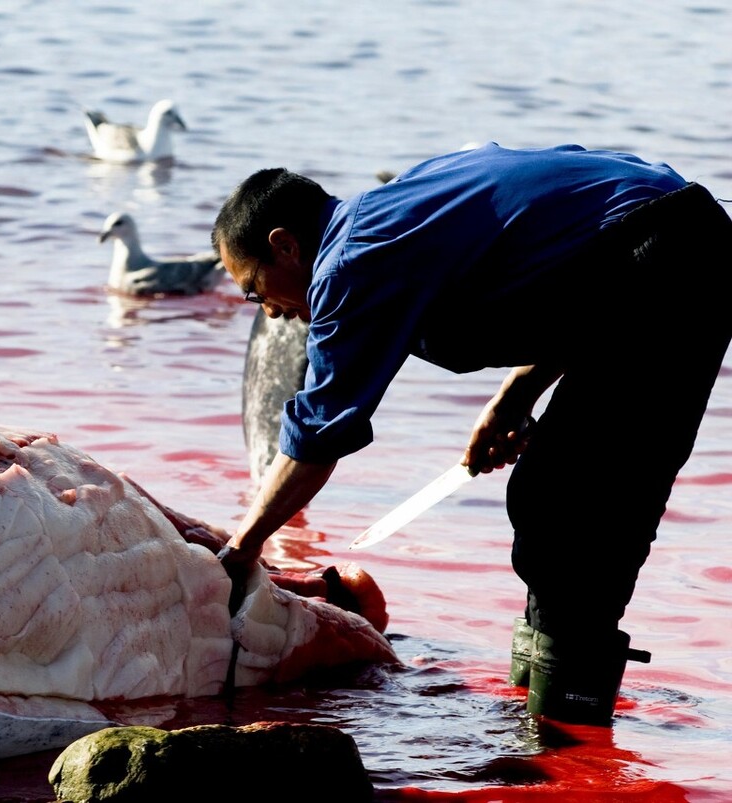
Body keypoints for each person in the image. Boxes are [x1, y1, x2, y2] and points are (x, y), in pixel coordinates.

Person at [211, 143, 732, 726]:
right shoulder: (393, 210)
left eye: (255, 291)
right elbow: (573, 273)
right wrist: (513, 398)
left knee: (578, 505)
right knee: (544, 497)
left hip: (669, 259)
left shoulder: (348, 262)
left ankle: (566, 736)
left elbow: (317, 435)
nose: (271, 314)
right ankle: (543, 719)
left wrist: (240, 550)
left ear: (285, 244)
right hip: (665, 246)